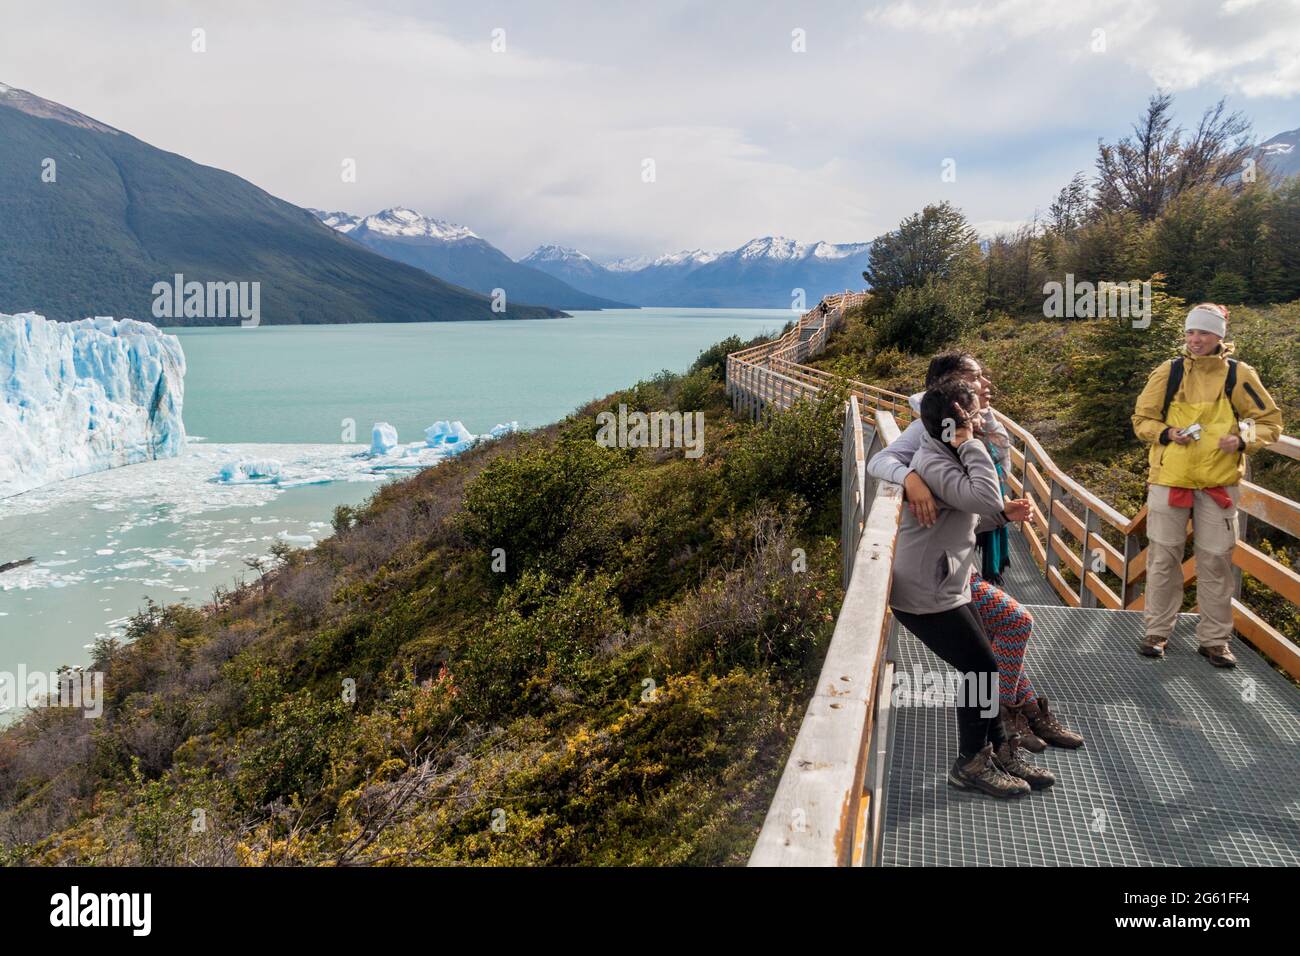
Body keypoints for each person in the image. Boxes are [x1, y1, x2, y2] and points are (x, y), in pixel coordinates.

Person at [870, 351, 1084, 751]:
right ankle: (1003, 725)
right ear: (947, 391)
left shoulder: (975, 424)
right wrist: (911, 479)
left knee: (996, 642)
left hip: (956, 561)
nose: (984, 384)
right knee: (1001, 639)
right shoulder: (933, 433)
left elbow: (963, 507)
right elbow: (886, 461)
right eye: (973, 379)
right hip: (939, 575)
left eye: (982, 377)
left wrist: (1003, 515)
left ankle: (1012, 720)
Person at [888, 375, 1053, 797]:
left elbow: (968, 512)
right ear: (954, 422)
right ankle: (970, 763)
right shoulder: (937, 462)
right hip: (925, 591)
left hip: (947, 583)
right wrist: (970, 444)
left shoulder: (938, 455)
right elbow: (982, 498)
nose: (979, 420)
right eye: (971, 415)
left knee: (984, 668)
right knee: (980, 669)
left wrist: (1003, 516)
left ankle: (996, 749)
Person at [1132, 303, 1283, 667]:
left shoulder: (1239, 374)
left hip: (1218, 484)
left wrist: (1243, 438)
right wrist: (1167, 433)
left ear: (1220, 337)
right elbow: (1141, 420)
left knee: (1216, 562)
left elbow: (1269, 422)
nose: (1195, 339)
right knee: (1163, 559)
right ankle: (1157, 633)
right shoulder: (1167, 372)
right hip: (1170, 480)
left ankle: (1215, 641)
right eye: (1190, 332)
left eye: (1203, 333)